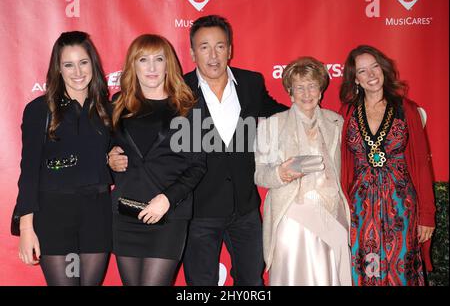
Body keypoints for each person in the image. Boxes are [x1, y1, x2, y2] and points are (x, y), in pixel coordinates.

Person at [109, 15, 287, 285]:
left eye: (220, 46)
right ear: (192, 53)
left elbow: (280, 115)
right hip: (197, 211)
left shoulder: (251, 84)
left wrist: (317, 118)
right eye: (204, 47)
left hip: (245, 208)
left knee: (252, 283)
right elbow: (129, 135)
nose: (213, 55)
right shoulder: (181, 91)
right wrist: (109, 155)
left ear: (230, 49)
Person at [15, 31, 113, 285]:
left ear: (93, 64)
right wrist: (27, 228)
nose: (77, 71)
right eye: (68, 64)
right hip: (54, 216)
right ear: (58, 69)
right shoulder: (39, 110)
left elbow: (118, 155)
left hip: (97, 214)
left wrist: (114, 158)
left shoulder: (107, 108)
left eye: (83, 62)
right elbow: (29, 171)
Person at [108, 34, 207, 286]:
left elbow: (197, 166)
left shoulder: (188, 106)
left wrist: (167, 200)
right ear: (133, 65)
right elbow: (109, 150)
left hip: (168, 215)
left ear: (168, 64)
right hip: (126, 213)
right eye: (143, 59)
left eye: (158, 59)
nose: (151, 67)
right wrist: (108, 158)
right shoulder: (119, 104)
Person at [339, 45, 436, 286]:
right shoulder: (348, 112)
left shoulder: (407, 110)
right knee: (364, 271)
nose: (371, 75)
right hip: (360, 210)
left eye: (375, 67)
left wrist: (427, 215)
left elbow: (422, 166)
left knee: (401, 270)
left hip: (401, 208)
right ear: (356, 80)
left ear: (383, 69)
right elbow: (341, 163)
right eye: (363, 71)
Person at [254, 56, 352, 286]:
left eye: (312, 86)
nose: (306, 93)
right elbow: (259, 173)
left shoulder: (336, 122)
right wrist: (282, 172)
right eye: (299, 87)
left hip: (331, 211)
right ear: (290, 92)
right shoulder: (272, 124)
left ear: (320, 91)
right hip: (291, 214)